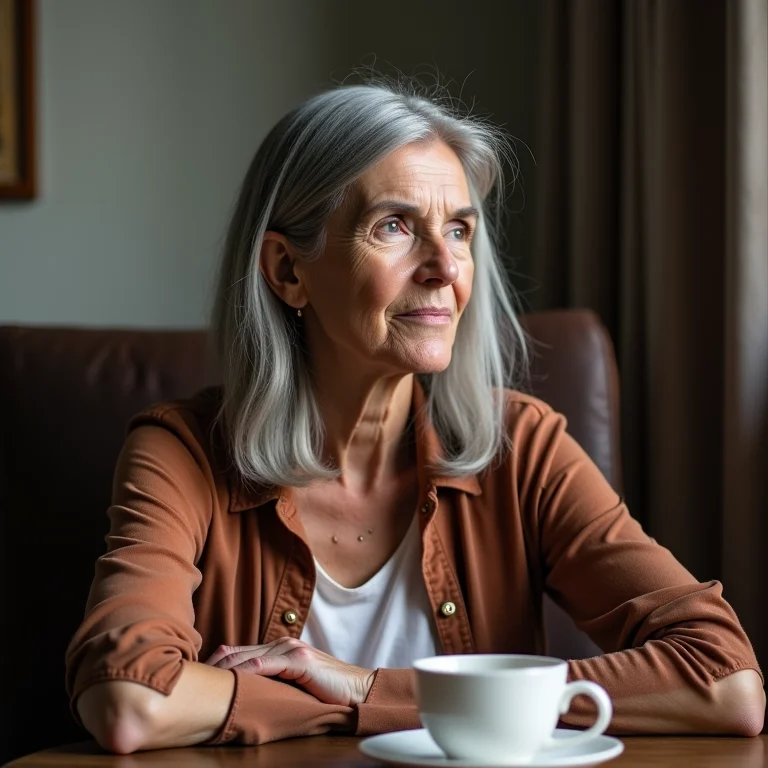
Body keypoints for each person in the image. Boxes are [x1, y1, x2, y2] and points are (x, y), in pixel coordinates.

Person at [66, 80, 765, 754]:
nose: (444, 267)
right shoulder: (181, 453)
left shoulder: (524, 447)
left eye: (459, 230)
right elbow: (129, 701)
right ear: (287, 271)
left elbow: (725, 682)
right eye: (394, 226)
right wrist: (367, 705)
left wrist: (365, 689)